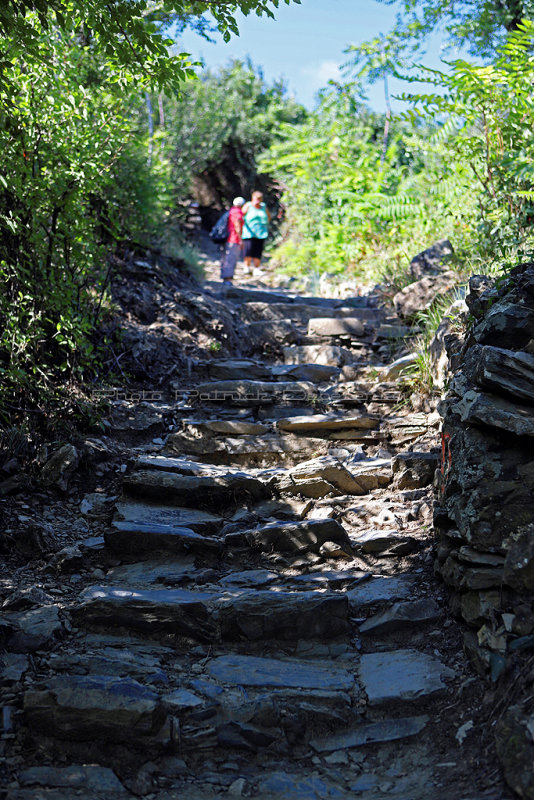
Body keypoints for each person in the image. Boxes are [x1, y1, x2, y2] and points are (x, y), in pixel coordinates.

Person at [242, 191, 271, 270]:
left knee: (258, 251)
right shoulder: (248, 205)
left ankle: (256, 268)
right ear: (253, 198)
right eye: (256, 198)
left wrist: (264, 225)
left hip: (261, 233)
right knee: (248, 250)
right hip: (249, 233)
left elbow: (268, 217)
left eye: (259, 199)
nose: (257, 200)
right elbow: (241, 216)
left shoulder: (263, 206)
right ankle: (246, 267)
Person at [220, 197, 245, 283]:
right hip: (233, 239)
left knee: (225, 258)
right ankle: (228, 279)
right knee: (231, 259)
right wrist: (241, 240)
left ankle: (225, 277)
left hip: (227, 238)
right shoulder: (238, 212)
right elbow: (237, 226)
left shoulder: (231, 211)